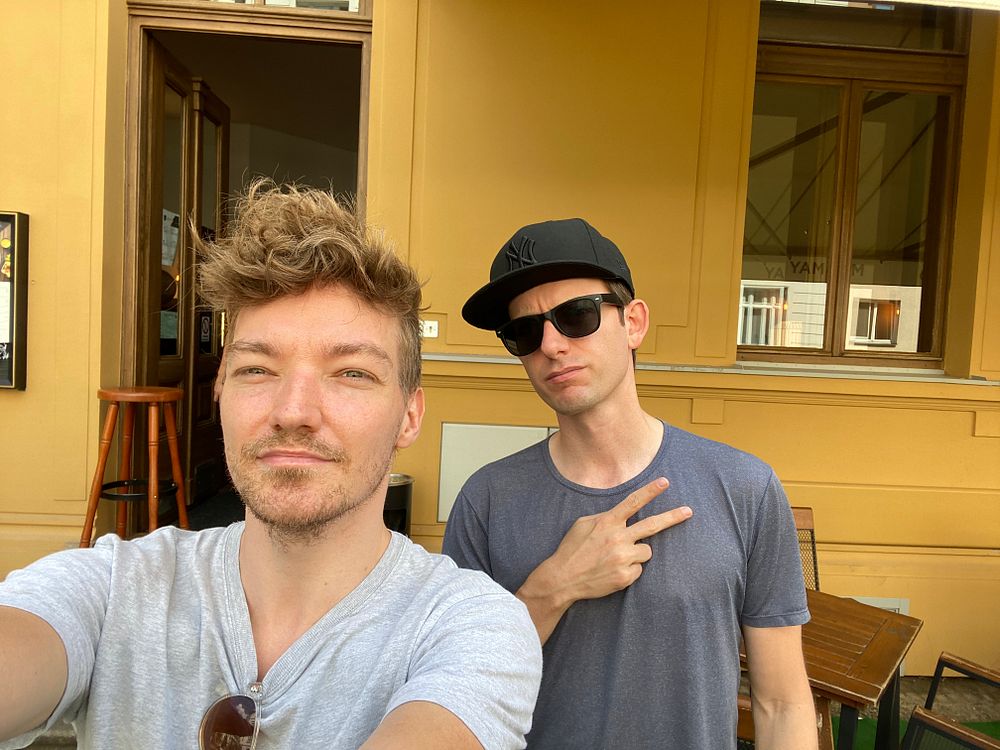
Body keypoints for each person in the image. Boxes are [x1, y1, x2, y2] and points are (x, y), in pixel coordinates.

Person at [0, 182, 542, 750]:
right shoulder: (112, 588)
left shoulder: (470, 626)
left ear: (409, 416)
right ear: (220, 394)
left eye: (352, 373)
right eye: (257, 369)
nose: (293, 412)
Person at [443, 218, 817, 749]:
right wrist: (554, 588)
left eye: (576, 315)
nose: (550, 344)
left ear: (633, 323)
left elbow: (782, 704)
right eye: (524, 332)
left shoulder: (745, 487)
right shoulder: (486, 500)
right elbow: (459, 687)